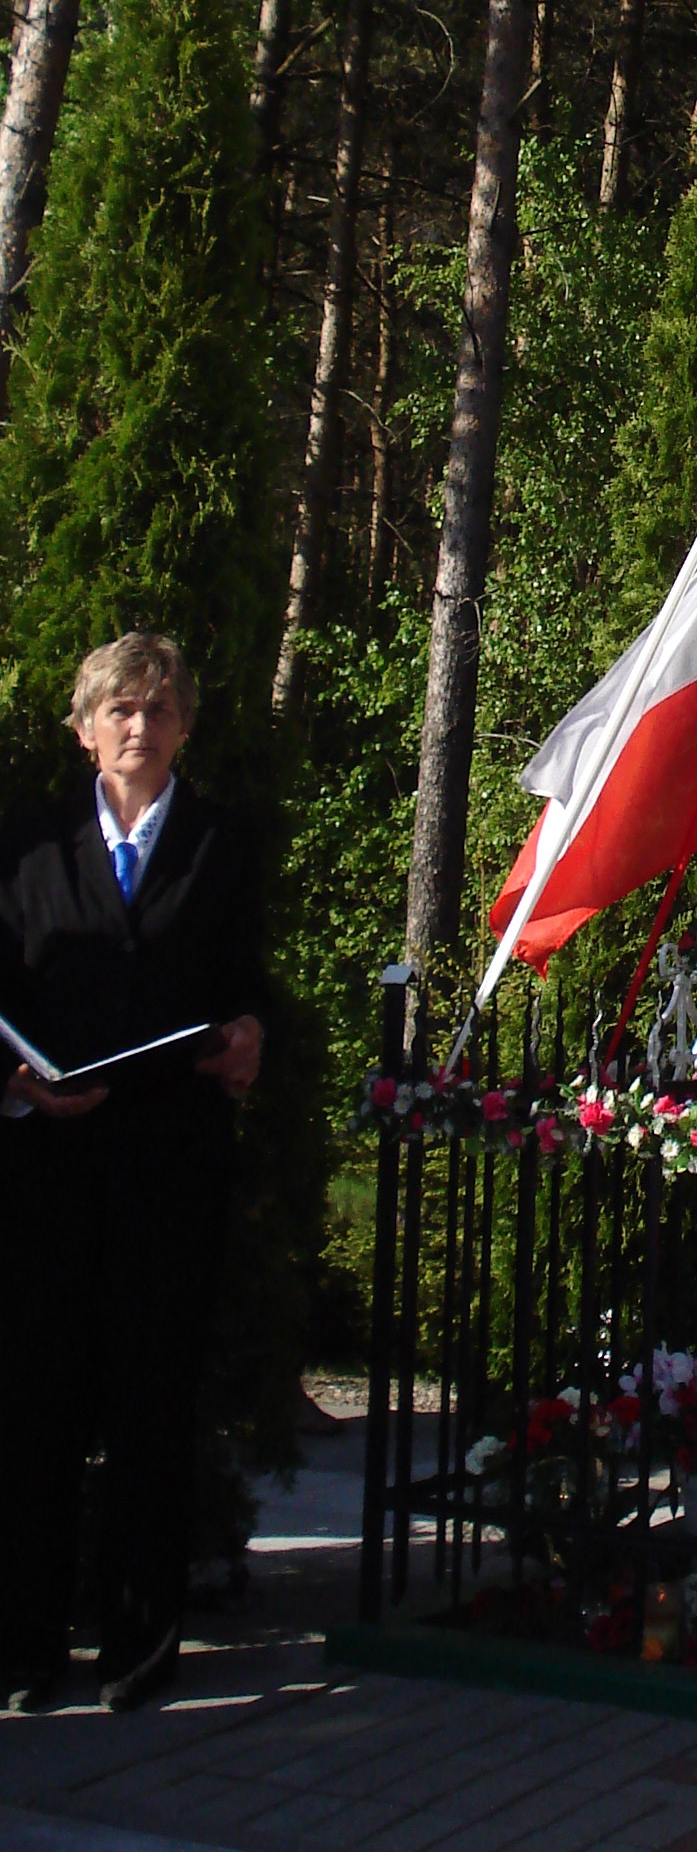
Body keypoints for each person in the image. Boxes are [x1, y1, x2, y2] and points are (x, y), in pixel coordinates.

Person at [0, 632, 265, 1715]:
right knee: (35, 1410)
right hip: (46, 1169)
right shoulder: (27, 844)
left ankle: (139, 1652)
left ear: (185, 725)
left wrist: (251, 1033)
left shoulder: (222, 844)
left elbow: (249, 985)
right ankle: (26, 1649)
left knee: (152, 1409)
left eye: (157, 709)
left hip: (167, 1171)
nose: (138, 727)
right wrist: (16, 1078)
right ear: (84, 728)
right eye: (119, 709)